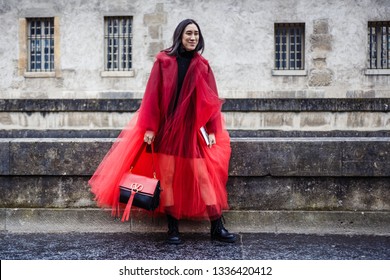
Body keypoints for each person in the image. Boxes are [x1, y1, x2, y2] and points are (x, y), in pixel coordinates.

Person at [89, 19, 236, 244]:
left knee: (203, 178)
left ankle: (217, 227)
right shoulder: (163, 61)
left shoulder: (203, 65)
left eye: (196, 34)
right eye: (189, 33)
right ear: (180, 35)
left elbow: (211, 99)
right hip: (166, 130)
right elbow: (152, 95)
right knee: (166, 179)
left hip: (190, 132)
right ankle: (173, 229)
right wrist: (149, 127)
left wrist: (213, 128)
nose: (193, 38)